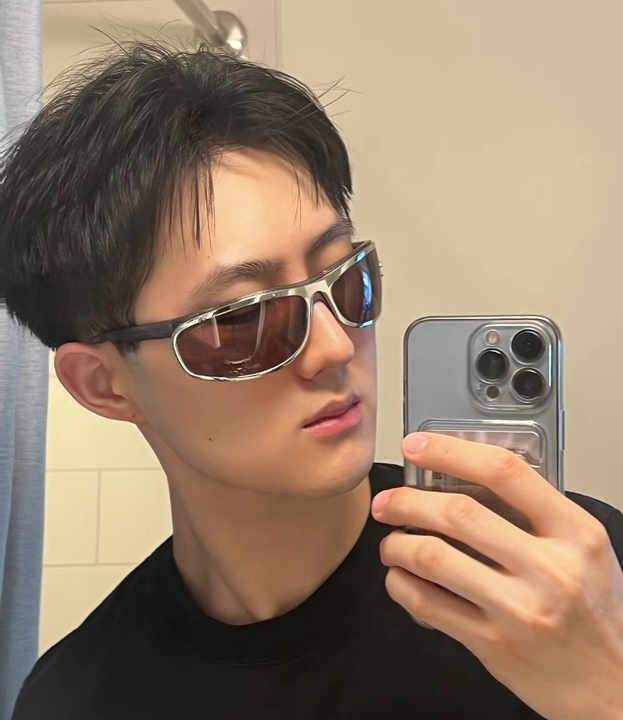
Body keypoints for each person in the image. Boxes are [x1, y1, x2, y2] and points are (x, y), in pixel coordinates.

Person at [2, 40, 622, 720]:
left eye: (347, 278)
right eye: (244, 318)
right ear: (103, 384)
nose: (334, 345)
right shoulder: (75, 699)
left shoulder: (578, 583)